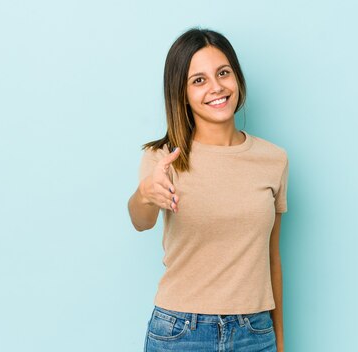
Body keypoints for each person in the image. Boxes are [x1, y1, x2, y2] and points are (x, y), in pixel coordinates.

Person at [127, 27, 289, 352]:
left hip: (255, 331)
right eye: (198, 80)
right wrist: (146, 193)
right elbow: (141, 220)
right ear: (181, 93)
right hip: (180, 332)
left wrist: (280, 341)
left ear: (237, 78)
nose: (216, 87)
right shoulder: (163, 158)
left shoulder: (274, 160)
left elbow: (271, 258)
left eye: (223, 73)